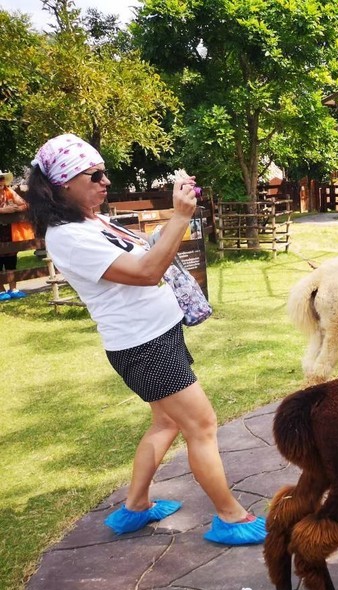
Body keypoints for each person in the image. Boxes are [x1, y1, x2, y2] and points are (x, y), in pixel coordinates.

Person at [26, 134, 267, 544]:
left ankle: (135, 508)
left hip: (157, 336)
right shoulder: (67, 236)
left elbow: (142, 258)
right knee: (203, 425)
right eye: (95, 174)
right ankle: (231, 517)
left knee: (168, 421)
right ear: (64, 183)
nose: (105, 181)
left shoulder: (90, 220)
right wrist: (179, 217)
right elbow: (145, 273)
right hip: (144, 347)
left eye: (105, 173)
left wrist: (174, 221)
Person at [0, 171, 29, 301]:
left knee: (11, 258)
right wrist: (2, 210)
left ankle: (13, 288)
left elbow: (24, 204)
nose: (1, 181)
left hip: (9, 231)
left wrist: (17, 209)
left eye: (2, 179)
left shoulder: (10, 191)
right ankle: (1, 290)